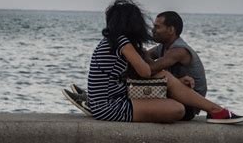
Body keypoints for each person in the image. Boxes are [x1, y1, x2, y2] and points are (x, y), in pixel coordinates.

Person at [62, 0, 243, 123]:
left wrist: (173, 82)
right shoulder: (123, 42)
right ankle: (215, 110)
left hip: (111, 101)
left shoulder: (114, 39)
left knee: (164, 76)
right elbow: (145, 72)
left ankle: (215, 110)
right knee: (177, 109)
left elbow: (134, 74)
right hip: (110, 107)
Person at [63, 11, 206, 121]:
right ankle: (94, 101)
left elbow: (149, 69)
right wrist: (136, 54)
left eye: (157, 27)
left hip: (189, 105)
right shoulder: (162, 47)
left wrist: (135, 53)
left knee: (158, 76)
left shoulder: (179, 51)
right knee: (139, 78)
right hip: (175, 93)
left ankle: (94, 103)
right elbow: (143, 59)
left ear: (171, 30)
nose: (152, 30)